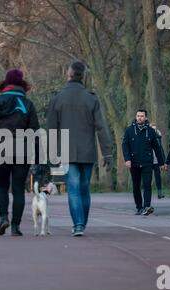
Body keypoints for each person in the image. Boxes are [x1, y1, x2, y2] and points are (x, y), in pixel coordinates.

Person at [47, 61, 113, 237]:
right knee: (84, 189)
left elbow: (52, 131)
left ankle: (78, 224)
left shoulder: (57, 99)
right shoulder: (91, 98)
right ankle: (82, 222)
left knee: (73, 189)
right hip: (87, 150)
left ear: (68, 75)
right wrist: (107, 151)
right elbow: (101, 127)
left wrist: (52, 156)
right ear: (83, 76)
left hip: (66, 151)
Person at [0, 69, 40, 236]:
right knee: (18, 189)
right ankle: (16, 226)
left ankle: (3, 219)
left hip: (1, 149)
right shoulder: (28, 104)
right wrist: (38, 156)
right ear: (21, 84)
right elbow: (34, 132)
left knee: (1, 186)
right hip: (22, 150)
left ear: (6, 83)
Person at [122, 110, 165, 216]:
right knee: (136, 186)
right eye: (138, 116)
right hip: (134, 162)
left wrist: (161, 163)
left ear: (145, 118)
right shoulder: (129, 130)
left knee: (147, 185)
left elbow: (157, 147)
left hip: (147, 162)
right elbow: (125, 146)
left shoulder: (150, 131)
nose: (139, 118)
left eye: (142, 116)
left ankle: (147, 206)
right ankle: (139, 207)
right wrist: (127, 159)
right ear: (136, 117)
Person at [150, 123, 166, 199]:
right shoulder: (146, 137)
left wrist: (163, 162)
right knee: (147, 178)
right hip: (148, 161)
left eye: (155, 129)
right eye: (152, 129)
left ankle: (160, 193)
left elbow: (161, 150)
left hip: (156, 161)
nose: (154, 130)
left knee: (158, 177)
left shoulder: (158, 138)